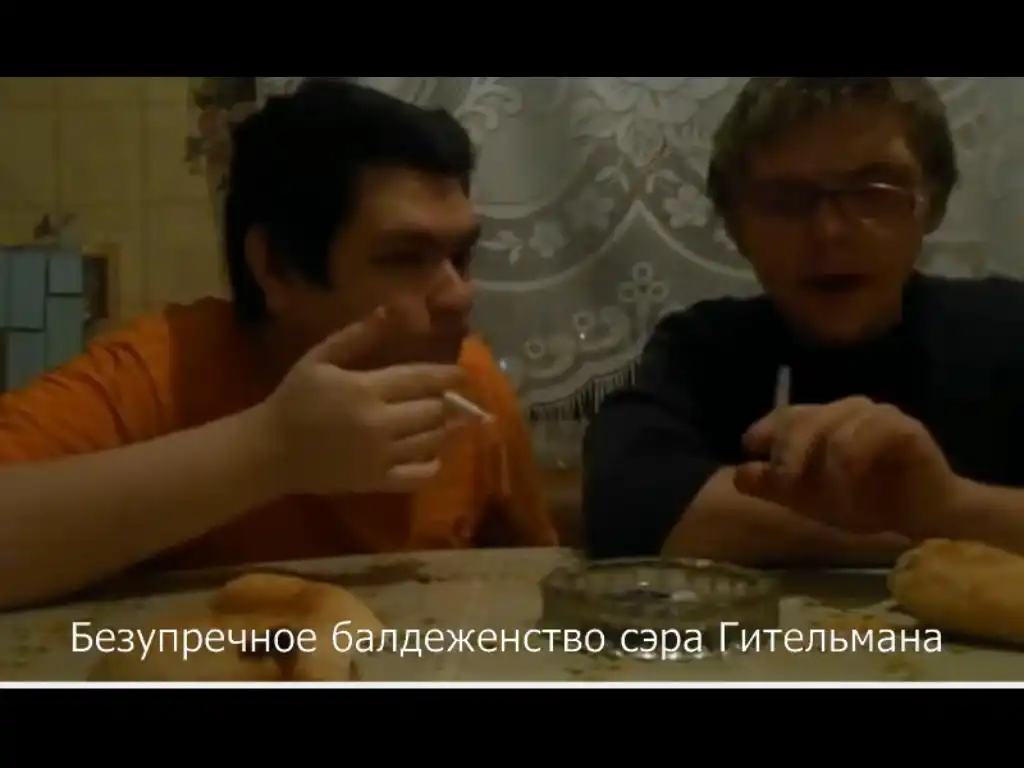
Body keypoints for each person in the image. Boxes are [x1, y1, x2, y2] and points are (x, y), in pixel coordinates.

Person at [0, 79, 555, 610]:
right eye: (405, 258)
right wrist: (272, 450)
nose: (459, 295)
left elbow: (539, 589)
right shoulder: (160, 374)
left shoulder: (469, 384)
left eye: (460, 257)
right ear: (276, 266)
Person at [583, 77, 1024, 567]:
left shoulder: (1009, 329)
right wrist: (943, 523)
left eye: (873, 192)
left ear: (932, 205)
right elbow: (629, 508)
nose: (829, 232)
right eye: (784, 200)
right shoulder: (701, 349)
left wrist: (949, 507)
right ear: (735, 228)